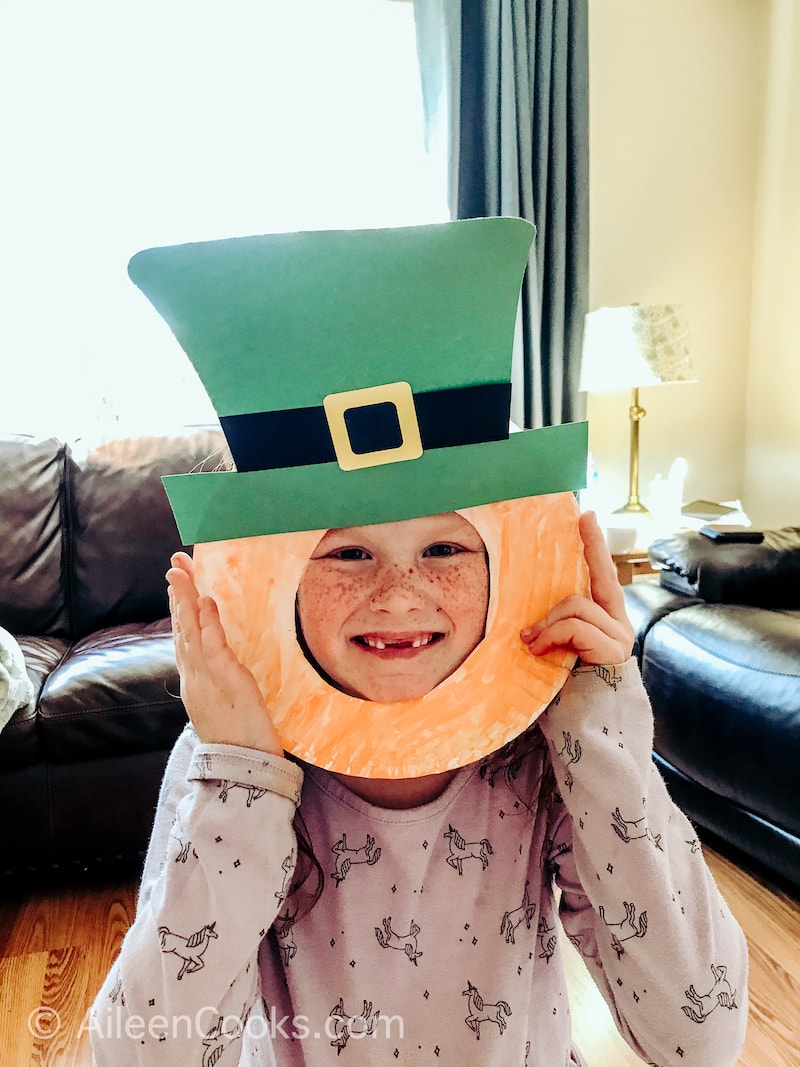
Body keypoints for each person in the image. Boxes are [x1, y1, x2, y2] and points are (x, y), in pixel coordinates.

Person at [89, 509, 748, 1066]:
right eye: (347, 550)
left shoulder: (546, 752)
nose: (399, 595)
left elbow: (700, 1034)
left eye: (444, 546)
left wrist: (600, 730)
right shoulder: (229, 763)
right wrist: (240, 782)